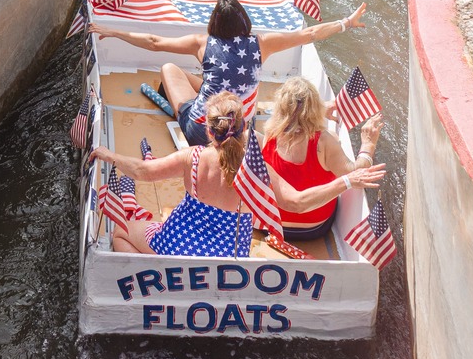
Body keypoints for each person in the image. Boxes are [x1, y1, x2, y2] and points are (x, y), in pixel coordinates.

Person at [90, 93, 384, 258]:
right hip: (226, 258)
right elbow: (297, 202)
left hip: (177, 249)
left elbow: (142, 171)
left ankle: (156, 278)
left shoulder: (190, 158)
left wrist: (108, 155)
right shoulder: (257, 170)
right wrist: (346, 181)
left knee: (122, 231)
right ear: (244, 128)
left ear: (207, 130)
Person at [95, 0, 367, 146]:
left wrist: (114, 32)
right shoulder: (262, 44)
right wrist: (346, 22)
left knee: (169, 68)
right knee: (205, 84)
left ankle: (185, 109)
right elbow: (310, 33)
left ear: (214, 22)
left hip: (204, 131)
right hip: (239, 130)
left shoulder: (202, 43)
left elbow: (154, 43)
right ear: (244, 21)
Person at [260, 77, 383, 240]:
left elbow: (293, 119)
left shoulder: (270, 131)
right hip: (312, 229)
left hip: (270, 225)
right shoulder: (324, 141)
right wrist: (368, 145)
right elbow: (355, 171)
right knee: (333, 138)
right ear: (314, 108)